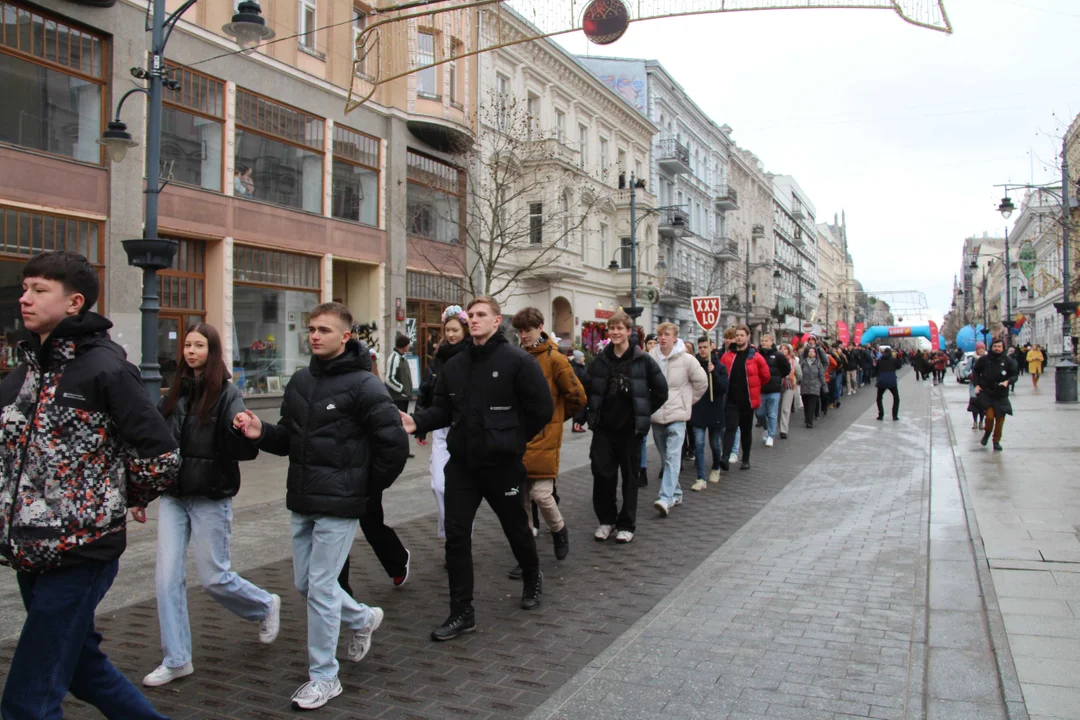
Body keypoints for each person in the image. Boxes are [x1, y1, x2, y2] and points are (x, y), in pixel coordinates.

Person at [0, 251, 181, 720]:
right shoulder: (22, 373)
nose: (26, 298)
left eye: (40, 290)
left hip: (82, 549)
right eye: (25, 288)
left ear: (75, 302)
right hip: (28, 549)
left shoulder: (105, 369)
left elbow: (160, 454)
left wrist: (117, 498)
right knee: (81, 669)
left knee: (27, 701)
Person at [234, 302, 409, 710]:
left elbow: (394, 447)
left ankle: (325, 677)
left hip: (341, 504)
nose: (314, 335)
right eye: (311, 329)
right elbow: (288, 440)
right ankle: (363, 619)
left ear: (345, 336)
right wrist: (261, 432)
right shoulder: (299, 382)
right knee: (306, 585)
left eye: (324, 330)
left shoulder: (366, 386)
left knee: (322, 590)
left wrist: (362, 491)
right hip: (303, 499)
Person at [401, 297, 554, 641]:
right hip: (463, 465)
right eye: (470, 315)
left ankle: (532, 576)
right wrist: (417, 422)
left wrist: (512, 438)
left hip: (502, 465)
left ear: (497, 321)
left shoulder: (517, 361)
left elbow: (541, 408)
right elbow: (441, 408)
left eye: (481, 315)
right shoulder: (455, 365)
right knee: (456, 536)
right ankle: (461, 611)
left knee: (516, 528)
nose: (474, 320)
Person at [144, 323, 279, 689]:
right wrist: (140, 493)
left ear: (213, 350)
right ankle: (176, 659)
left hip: (210, 496)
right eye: (187, 345)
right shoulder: (172, 395)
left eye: (199, 345)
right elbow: (154, 443)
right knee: (166, 579)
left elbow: (244, 448)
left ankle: (264, 604)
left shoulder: (227, 394)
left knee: (214, 577)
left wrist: (241, 427)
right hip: (173, 497)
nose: (190, 351)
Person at [510, 307, 586, 571]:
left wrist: (556, 420)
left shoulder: (556, 359)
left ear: (540, 326)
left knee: (542, 495)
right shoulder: (518, 357)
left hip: (544, 436)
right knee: (521, 500)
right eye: (520, 331)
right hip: (519, 436)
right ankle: (527, 556)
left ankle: (559, 530)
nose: (524, 336)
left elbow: (578, 396)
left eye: (528, 330)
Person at [586, 313, 668, 543]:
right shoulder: (601, 360)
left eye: (619, 328)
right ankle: (606, 520)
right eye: (611, 328)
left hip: (631, 430)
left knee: (630, 479)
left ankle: (627, 524)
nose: (614, 332)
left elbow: (661, 390)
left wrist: (643, 411)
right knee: (602, 475)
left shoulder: (643, 360)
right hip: (604, 428)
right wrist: (585, 414)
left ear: (629, 331)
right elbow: (588, 388)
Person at [416, 305, 470, 540]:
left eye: (455, 330)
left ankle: (459, 539)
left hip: (464, 428)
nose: (451, 335)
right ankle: (448, 535)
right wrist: (420, 423)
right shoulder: (438, 357)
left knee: (460, 490)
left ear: (465, 330)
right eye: (447, 330)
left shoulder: (472, 355)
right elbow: (426, 389)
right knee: (439, 486)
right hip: (440, 426)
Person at [649, 323, 707, 515]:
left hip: (678, 416)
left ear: (675, 338)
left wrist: (687, 402)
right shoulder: (651, 357)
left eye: (667, 334)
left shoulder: (687, 359)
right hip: (656, 415)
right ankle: (676, 492)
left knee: (674, 457)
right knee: (666, 457)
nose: (662, 338)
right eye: (660, 334)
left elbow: (701, 383)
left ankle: (665, 498)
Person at [719, 325, 772, 471]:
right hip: (731, 400)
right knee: (730, 428)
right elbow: (721, 373)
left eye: (742, 335)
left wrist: (755, 386)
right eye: (737, 335)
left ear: (748, 337)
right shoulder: (728, 356)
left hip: (748, 401)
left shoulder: (755, 356)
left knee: (746, 430)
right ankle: (725, 457)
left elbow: (766, 375)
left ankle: (746, 458)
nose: (739, 338)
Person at [690, 336, 729, 489]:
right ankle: (700, 478)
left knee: (714, 444)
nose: (702, 350)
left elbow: (723, 388)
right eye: (700, 348)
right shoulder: (694, 365)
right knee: (699, 444)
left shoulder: (719, 367)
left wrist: (714, 374)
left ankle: (716, 467)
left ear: (712, 347)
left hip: (715, 409)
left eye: (705, 347)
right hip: (699, 409)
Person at [972, 337, 1018, 452]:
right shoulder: (984, 359)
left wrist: (1007, 382)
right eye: (995, 346)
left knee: (1000, 419)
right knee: (990, 417)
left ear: (1003, 348)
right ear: (991, 347)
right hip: (987, 393)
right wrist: (977, 385)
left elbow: (1014, 375)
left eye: (999, 347)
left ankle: (996, 441)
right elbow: (976, 371)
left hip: (1001, 394)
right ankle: (987, 433)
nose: (997, 349)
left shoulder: (1008, 360)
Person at [754, 334, 791, 448]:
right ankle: (766, 428)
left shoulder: (778, 355)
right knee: (760, 413)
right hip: (761, 389)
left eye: (766, 341)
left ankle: (771, 435)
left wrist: (778, 377)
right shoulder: (758, 355)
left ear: (771, 342)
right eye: (762, 341)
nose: (763, 342)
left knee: (772, 413)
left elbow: (787, 368)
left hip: (774, 389)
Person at [385, 334, 415, 457]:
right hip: (398, 398)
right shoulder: (394, 358)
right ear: (404, 345)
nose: (409, 346)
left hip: (404, 397)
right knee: (397, 424)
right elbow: (389, 378)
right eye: (408, 344)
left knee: (403, 424)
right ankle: (396, 450)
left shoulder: (402, 357)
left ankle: (403, 449)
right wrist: (401, 389)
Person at [778, 343, 801, 440]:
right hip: (778, 386)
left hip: (789, 386)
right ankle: (780, 425)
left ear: (788, 350)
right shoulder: (777, 360)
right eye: (781, 349)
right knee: (778, 409)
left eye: (785, 349)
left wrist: (794, 380)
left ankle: (784, 430)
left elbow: (799, 374)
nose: (783, 350)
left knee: (785, 408)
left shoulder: (793, 361)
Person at [800, 347, 827, 428]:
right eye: (809, 351)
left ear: (815, 353)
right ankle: (807, 418)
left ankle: (810, 421)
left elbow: (822, 376)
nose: (811, 353)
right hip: (805, 386)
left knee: (812, 404)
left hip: (814, 386)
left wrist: (824, 387)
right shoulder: (803, 363)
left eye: (813, 351)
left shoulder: (818, 364)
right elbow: (799, 374)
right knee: (806, 404)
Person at [875, 347, 901, 421]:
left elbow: (876, 370)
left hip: (882, 380)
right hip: (891, 381)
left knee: (879, 398)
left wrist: (879, 375)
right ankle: (894, 415)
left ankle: (881, 414)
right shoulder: (893, 360)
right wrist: (898, 357)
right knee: (896, 398)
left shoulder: (879, 360)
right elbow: (899, 366)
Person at [967, 341, 987, 429]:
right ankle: (975, 421)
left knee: (982, 405)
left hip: (984, 385)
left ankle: (981, 422)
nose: (981, 350)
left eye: (982, 348)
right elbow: (966, 370)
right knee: (974, 403)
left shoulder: (987, 358)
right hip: (973, 384)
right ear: (976, 349)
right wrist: (969, 375)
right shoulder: (972, 359)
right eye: (979, 349)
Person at [570, 349, 590, 433]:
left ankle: (578, 424)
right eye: (582, 357)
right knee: (580, 409)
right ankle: (576, 425)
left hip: (584, 390)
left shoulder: (581, 366)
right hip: (580, 391)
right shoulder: (575, 368)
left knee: (583, 408)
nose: (584, 358)